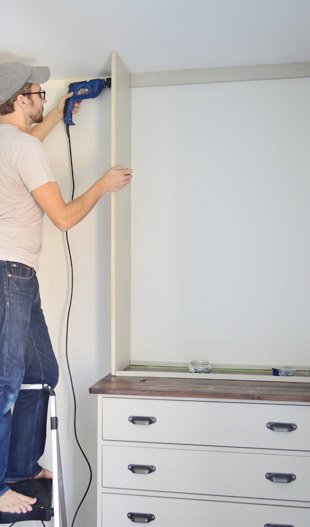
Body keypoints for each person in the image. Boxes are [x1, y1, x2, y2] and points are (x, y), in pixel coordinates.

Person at [0, 62, 132, 515]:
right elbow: (64, 217)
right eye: (38, 93)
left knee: (41, 373)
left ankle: (20, 465)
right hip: (9, 274)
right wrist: (104, 184)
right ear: (21, 100)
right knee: (5, 384)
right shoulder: (21, 146)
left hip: (19, 275)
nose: (41, 97)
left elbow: (25, 147)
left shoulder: (12, 143)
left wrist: (58, 112)